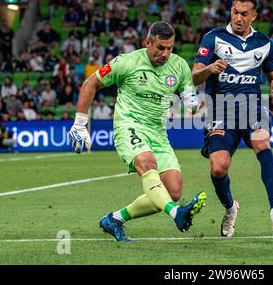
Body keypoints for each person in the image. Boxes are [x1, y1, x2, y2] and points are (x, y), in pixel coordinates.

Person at [68, 21, 206, 242]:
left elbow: (189, 94)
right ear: (147, 43)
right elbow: (90, 83)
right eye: (160, 47)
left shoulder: (179, 66)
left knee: (172, 191)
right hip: (129, 125)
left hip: (158, 133)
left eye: (170, 48)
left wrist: (192, 101)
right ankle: (176, 213)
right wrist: (79, 124)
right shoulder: (127, 62)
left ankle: (115, 219)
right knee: (147, 164)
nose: (165, 53)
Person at [191, 0, 273, 237]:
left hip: (252, 108)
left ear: (254, 16)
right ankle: (230, 209)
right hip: (220, 110)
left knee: (262, 142)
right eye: (235, 12)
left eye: (244, 14)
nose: (238, 18)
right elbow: (193, 76)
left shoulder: (265, 43)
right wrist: (209, 68)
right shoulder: (213, 38)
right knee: (218, 168)